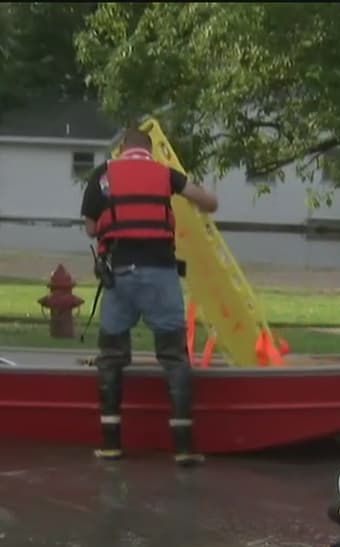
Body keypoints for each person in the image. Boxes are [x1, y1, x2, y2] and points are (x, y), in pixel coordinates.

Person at [80, 125, 220, 467]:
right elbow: (210, 203)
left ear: (122, 148)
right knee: (173, 357)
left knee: (111, 357)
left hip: (120, 275)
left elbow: (89, 226)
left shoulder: (103, 174)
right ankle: (184, 448)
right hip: (160, 274)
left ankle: (111, 445)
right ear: (149, 149)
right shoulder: (164, 173)